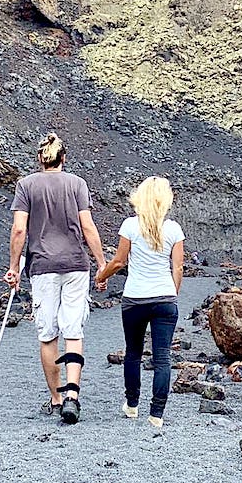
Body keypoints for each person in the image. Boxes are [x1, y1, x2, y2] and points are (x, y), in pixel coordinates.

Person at [5, 133, 105, 424]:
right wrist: (101, 263)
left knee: (48, 333)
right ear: (64, 158)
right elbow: (88, 226)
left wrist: (14, 267)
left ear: (40, 159)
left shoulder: (26, 185)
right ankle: (73, 395)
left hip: (43, 266)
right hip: (75, 265)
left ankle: (57, 397)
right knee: (73, 330)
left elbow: (19, 231)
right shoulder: (77, 184)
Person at [95, 176, 185, 428]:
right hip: (165, 299)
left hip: (135, 298)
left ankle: (132, 405)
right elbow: (177, 267)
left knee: (133, 352)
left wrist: (101, 276)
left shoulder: (130, 226)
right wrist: (172, 293)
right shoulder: (174, 229)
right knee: (163, 357)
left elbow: (119, 262)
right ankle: (156, 413)